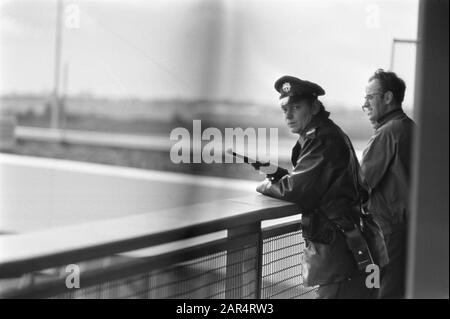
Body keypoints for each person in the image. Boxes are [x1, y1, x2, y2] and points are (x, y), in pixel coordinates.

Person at [256, 75, 383, 299]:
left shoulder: (322, 138)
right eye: (285, 108)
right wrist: (282, 175)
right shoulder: (324, 133)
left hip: (340, 251)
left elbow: (297, 189)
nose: (288, 115)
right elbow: (315, 182)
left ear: (314, 107)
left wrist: (267, 185)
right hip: (349, 244)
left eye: (296, 107)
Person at [360, 69, 416, 298]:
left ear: (388, 97)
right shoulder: (409, 127)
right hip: (406, 229)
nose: (365, 104)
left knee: (382, 291)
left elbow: (361, 182)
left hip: (388, 231)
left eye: (370, 97)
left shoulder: (388, 132)